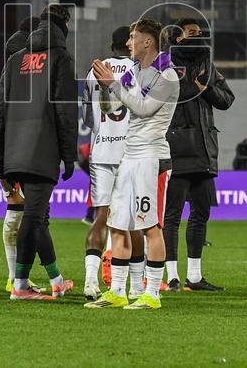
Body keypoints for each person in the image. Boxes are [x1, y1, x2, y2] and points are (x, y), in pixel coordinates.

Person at [86, 18, 179, 311]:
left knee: (150, 226)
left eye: (133, 37)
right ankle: (118, 290)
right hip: (129, 156)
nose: (128, 43)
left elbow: (143, 108)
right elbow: (112, 107)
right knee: (117, 224)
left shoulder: (167, 75)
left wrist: (112, 84)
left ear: (148, 42)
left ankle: (152, 293)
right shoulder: (136, 72)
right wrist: (103, 88)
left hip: (152, 157)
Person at [0, 5, 77, 302]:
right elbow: (65, 110)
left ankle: (23, 282)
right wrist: (69, 154)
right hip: (43, 148)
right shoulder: (61, 58)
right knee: (35, 217)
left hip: (14, 148)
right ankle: (41, 282)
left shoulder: (15, 60)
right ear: (64, 25)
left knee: (34, 216)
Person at [163, 18, 234, 292]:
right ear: (178, 37)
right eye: (192, 33)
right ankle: (170, 277)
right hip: (177, 149)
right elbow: (166, 97)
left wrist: (208, 88)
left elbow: (227, 99)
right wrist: (196, 89)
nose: (199, 37)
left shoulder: (206, 64)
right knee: (172, 215)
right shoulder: (165, 63)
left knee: (201, 212)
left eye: (200, 33)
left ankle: (194, 276)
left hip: (204, 150)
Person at [0, 16, 46, 294]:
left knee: (17, 210)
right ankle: (21, 277)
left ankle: (16, 276)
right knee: (28, 213)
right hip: (20, 151)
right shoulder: (26, 61)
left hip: (7, 150)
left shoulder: (14, 60)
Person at [81, 26, 135, 301]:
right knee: (129, 220)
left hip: (101, 151)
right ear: (129, 44)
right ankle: (125, 285)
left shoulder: (94, 71)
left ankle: (90, 281)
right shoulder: (138, 70)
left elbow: (88, 118)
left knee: (100, 217)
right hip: (129, 152)